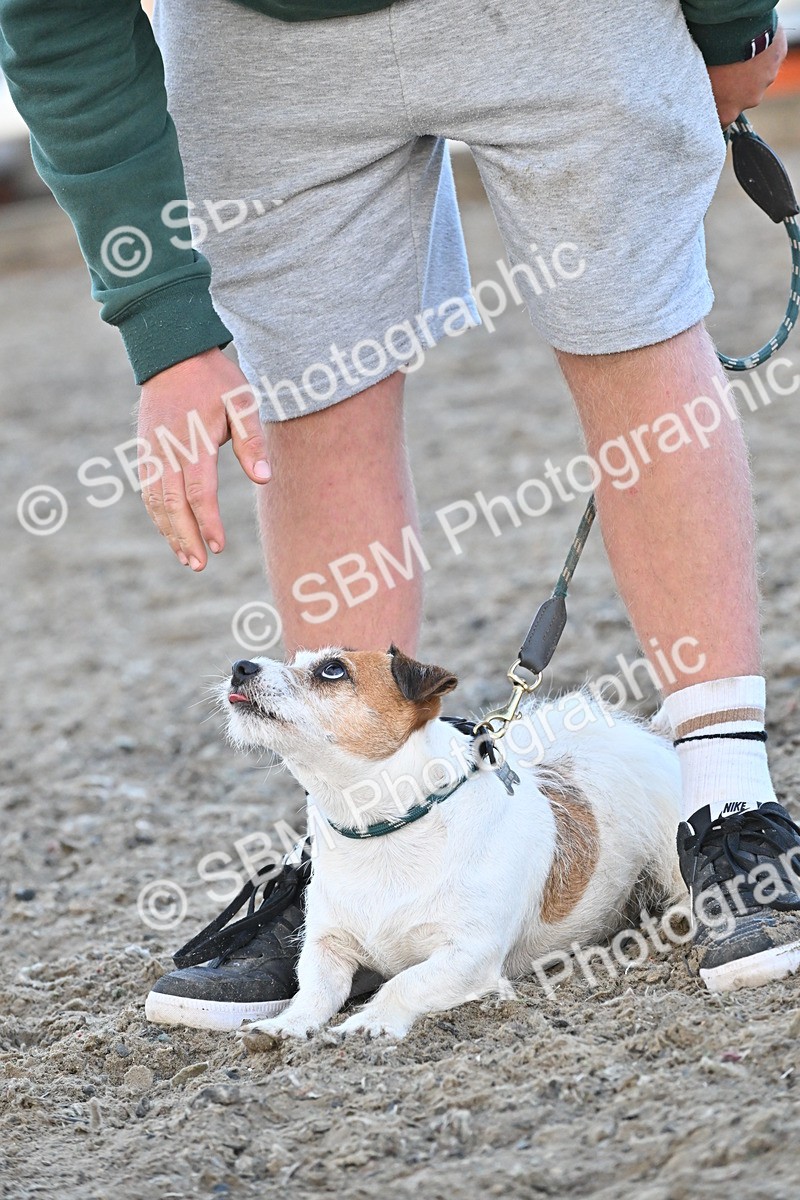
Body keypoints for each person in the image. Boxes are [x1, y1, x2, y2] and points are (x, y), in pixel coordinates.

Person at [3, 0, 799, 1031]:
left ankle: (728, 798)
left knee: (634, 333)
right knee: (309, 391)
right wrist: (166, 331)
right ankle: (359, 852)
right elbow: (55, 19)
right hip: (255, 36)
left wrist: (733, 24)